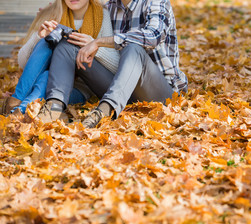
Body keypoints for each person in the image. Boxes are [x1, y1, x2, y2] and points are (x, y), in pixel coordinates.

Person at [37, 0, 188, 128]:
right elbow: (85, 33)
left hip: (159, 92)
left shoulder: (156, 2)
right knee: (68, 47)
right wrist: (55, 22)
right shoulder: (110, 7)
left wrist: (99, 42)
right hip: (121, 88)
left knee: (133, 47)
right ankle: (54, 106)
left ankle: (104, 111)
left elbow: (153, 36)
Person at [0, 0, 120, 117]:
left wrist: (95, 45)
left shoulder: (102, 16)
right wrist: (38, 37)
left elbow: (116, 66)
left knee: (46, 78)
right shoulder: (54, 12)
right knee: (45, 47)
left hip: (79, 87)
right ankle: (16, 107)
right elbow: (23, 63)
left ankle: (18, 111)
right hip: (52, 78)